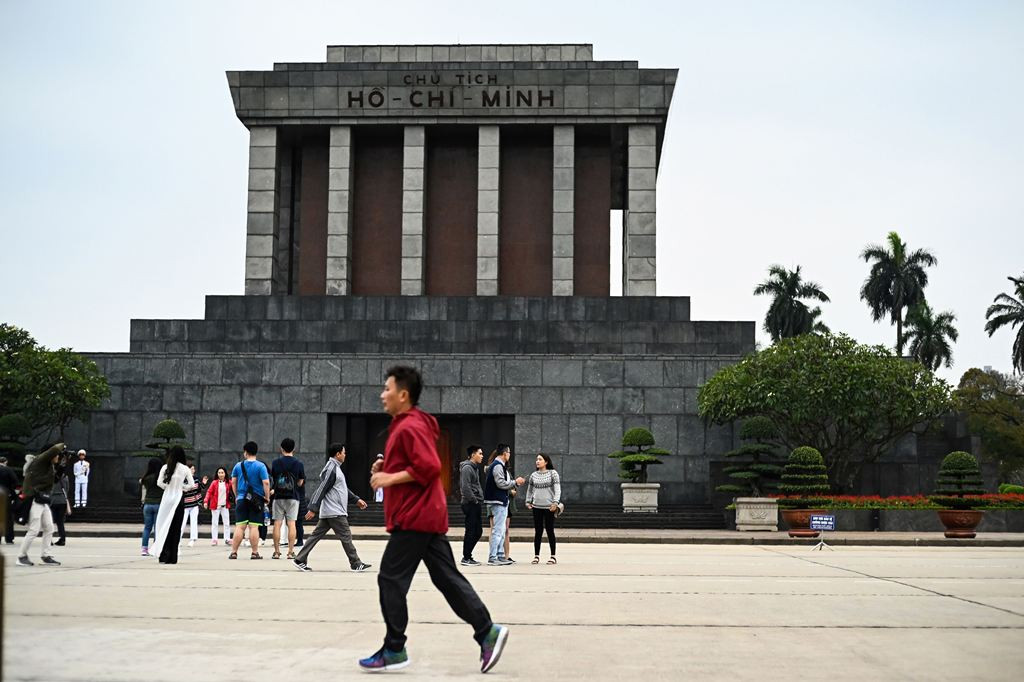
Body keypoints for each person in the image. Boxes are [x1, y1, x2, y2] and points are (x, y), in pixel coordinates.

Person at [359, 365, 509, 674]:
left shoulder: (409, 425)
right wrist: (387, 468)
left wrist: (388, 479)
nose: (382, 394)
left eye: (387, 389)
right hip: (425, 515)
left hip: (414, 517)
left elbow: (427, 467)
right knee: (447, 578)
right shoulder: (411, 424)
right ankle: (487, 632)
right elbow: (414, 464)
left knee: (390, 578)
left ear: (403, 394)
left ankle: (394, 648)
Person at [292, 443, 369, 572]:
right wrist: (313, 508)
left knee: (315, 536)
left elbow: (342, 489)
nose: (345, 455)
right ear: (338, 454)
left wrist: (356, 499)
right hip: (335, 511)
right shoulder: (331, 469)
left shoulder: (335, 468)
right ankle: (356, 563)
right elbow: (321, 488)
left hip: (330, 511)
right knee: (346, 536)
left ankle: (300, 559)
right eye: (344, 452)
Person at [17, 443, 64, 566]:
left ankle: (46, 555)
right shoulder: (40, 461)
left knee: (49, 528)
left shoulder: (48, 466)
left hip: (42, 500)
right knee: (34, 529)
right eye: (57, 455)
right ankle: (21, 556)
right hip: (34, 499)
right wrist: (63, 445)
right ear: (49, 454)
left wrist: (62, 466)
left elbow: (53, 481)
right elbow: (54, 449)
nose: (58, 457)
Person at [151, 446, 194, 565]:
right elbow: (191, 485)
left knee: (164, 525)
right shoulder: (185, 469)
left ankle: (163, 555)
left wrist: (168, 488)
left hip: (166, 500)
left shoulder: (165, 467)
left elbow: (159, 483)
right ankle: (172, 557)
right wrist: (181, 488)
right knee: (176, 529)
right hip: (178, 500)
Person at [228, 441, 270, 560]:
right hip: (256, 500)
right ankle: (254, 552)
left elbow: (234, 482)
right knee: (254, 526)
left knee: (240, 526)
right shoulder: (261, 466)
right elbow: (266, 482)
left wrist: (237, 496)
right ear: (256, 452)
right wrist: (267, 497)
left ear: (245, 452)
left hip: (241, 498)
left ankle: (234, 552)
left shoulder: (238, 466)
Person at [483, 444, 524, 566]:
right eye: (509, 452)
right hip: (497, 501)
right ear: (504, 453)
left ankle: (500, 555)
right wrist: (515, 482)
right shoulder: (497, 466)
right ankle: (493, 557)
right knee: (498, 529)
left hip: (500, 500)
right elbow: (500, 483)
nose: (510, 455)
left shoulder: (499, 465)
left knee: (501, 529)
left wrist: (513, 483)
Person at [270, 437, 305, 560]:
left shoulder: (275, 463)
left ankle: (276, 551)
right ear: (294, 448)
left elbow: (273, 478)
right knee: (292, 524)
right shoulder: (298, 463)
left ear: (281, 448)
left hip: (278, 496)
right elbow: (300, 482)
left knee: (277, 524)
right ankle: (290, 552)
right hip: (293, 497)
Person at [525, 454, 562, 565]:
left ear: (546, 462)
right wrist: (528, 501)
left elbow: (557, 489)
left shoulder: (553, 473)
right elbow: (530, 490)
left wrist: (555, 502)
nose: (537, 461)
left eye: (540, 459)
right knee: (538, 531)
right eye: (536, 459)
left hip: (549, 507)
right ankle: (536, 556)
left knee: (550, 530)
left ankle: (553, 556)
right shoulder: (533, 475)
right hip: (536, 507)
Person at [459, 445, 485, 566]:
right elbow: (465, 487)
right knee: (471, 531)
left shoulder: (475, 468)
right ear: (473, 454)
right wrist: (474, 500)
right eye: (480, 453)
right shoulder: (467, 468)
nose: (482, 456)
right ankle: (466, 557)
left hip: (476, 503)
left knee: (478, 531)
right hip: (470, 504)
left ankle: (468, 555)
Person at [139, 457, 163, 556]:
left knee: (147, 528)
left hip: (147, 504)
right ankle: (155, 548)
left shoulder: (146, 478)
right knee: (157, 528)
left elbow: (142, 486)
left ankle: (144, 549)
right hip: (158, 504)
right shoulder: (160, 478)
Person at [203, 467, 232, 545]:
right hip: (215, 506)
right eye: (219, 473)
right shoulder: (214, 483)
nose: (221, 474)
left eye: (222, 472)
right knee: (215, 523)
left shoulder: (229, 482)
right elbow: (209, 492)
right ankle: (214, 539)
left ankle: (227, 539)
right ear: (217, 474)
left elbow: (234, 489)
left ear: (225, 473)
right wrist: (206, 501)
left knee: (226, 523)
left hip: (225, 506)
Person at [49, 454, 72, 546]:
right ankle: (62, 539)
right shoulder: (65, 478)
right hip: (62, 500)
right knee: (60, 522)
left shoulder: (51, 477)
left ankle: (49, 540)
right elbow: (67, 489)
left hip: (52, 500)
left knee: (50, 522)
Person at [0, 455, 21, 544]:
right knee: (8, 518)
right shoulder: (8, 470)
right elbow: (16, 483)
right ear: (6, 462)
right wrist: (14, 495)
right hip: (6, 496)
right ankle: (9, 538)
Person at [180, 463, 202, 547]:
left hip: (194, 504)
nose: (193, 470)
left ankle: (192, 539)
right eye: (191, 469)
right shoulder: (183, 479)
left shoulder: (196, 479)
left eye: (193, 469)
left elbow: (198, 490)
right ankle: (178, 540)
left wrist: (202, 484)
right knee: (182, 522)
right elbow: (181, 490)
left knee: (194, 522)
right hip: (185, 505)